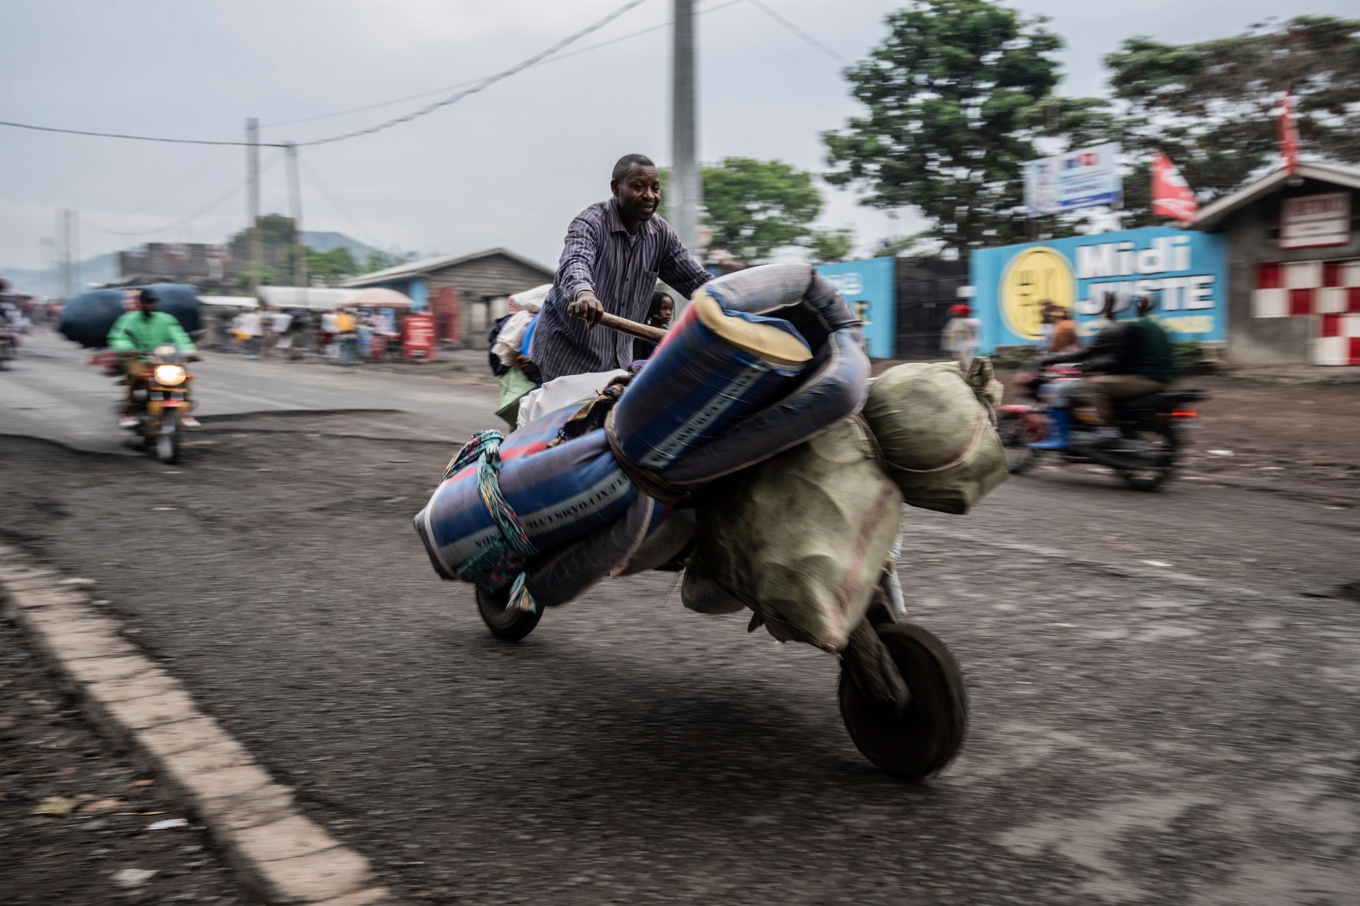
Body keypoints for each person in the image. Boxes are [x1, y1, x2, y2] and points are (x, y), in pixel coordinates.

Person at [530, 154, 712, 381]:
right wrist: (584, 293)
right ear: (616, 188)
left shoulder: (662, 235)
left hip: (619, 360)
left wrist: (731, 298)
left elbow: (697, 281)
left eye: (655, 188)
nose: (649, 195)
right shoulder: (590, 223)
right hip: (567, 357)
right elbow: (574, 261)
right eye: (638, 187)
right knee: (573, 416)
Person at [1044, 293, 1173, 437]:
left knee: (1094, 385)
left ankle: (1109, 431)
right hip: (1158, 377)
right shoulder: (1154, 328)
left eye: (1108, 304)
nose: (1105, 308)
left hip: (1145, 377)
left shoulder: (1128, 327)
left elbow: (1107, 356)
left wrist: (1087, 367)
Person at [107, 289, 200, 429]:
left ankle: (186, 412)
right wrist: (128, 350)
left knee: (182, 375)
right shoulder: (128, 320)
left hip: (163, 360)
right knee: (135, 375)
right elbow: (119, 337)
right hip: (139, 360)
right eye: (148, 302)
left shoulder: (166, 320)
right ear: (141, 303)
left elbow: (179, 337)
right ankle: (129, 411)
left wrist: (189, 352)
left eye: (154, 302)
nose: (151, 305)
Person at [632, 291, 674, 361]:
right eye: (664, 308)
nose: (668, 313)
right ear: (654, 309)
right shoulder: (642, 335)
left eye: (670, 309)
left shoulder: (668, 333)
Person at [941, 303, 981, 371]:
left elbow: (953, 335)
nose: (953, 313)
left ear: (961, 313)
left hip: (961, 345)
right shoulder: (976, 321)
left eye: (955, 312)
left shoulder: (958, 321)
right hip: (971, 343)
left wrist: (948, 345)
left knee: (961, 365)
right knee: (967, 362)